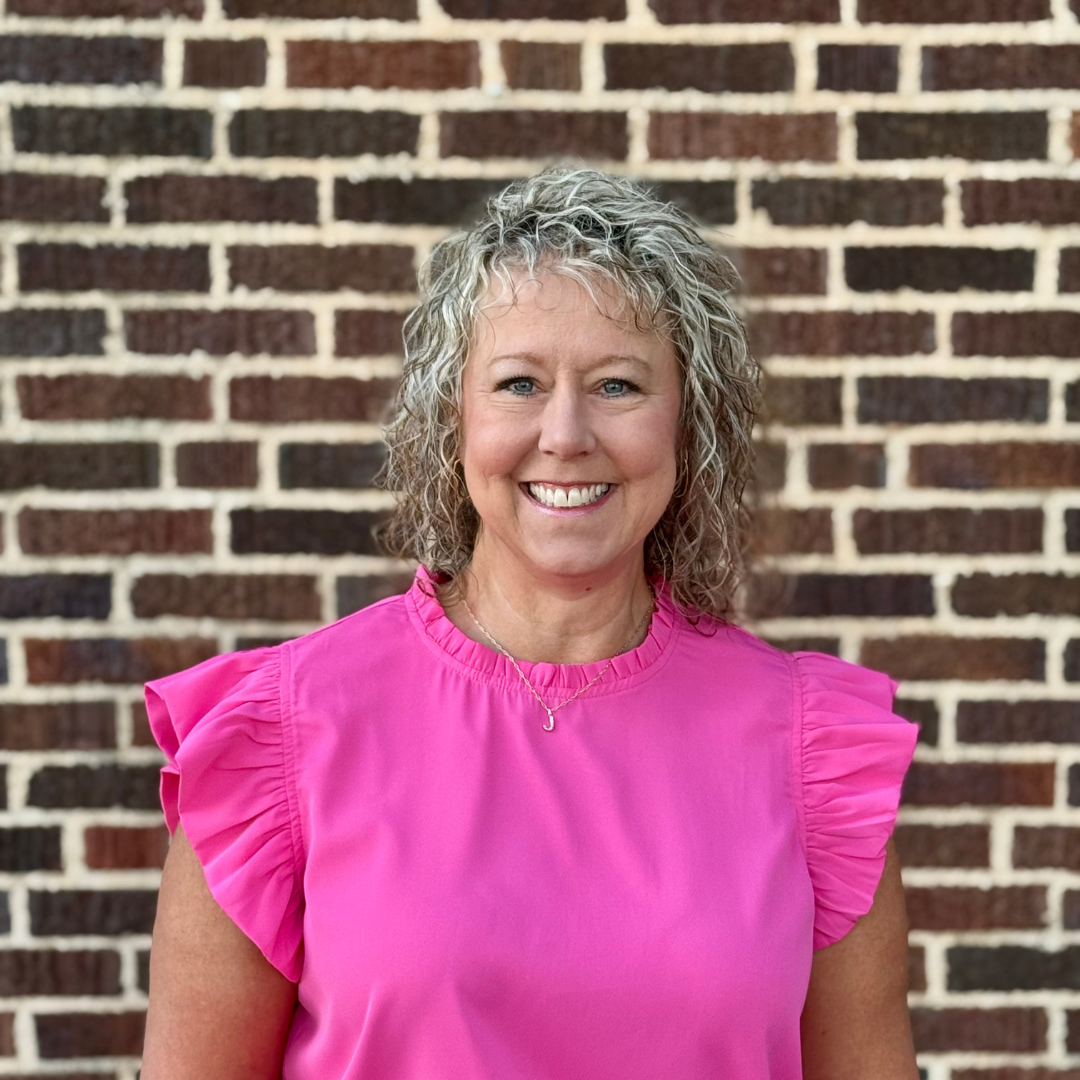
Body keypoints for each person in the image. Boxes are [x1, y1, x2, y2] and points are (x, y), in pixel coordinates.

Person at [140, 167, 920, 1079]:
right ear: (454, 419)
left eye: (619, 386)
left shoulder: (810, 752)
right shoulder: (276, 737)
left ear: (688, 424)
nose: (565, 433)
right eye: (518, 382)